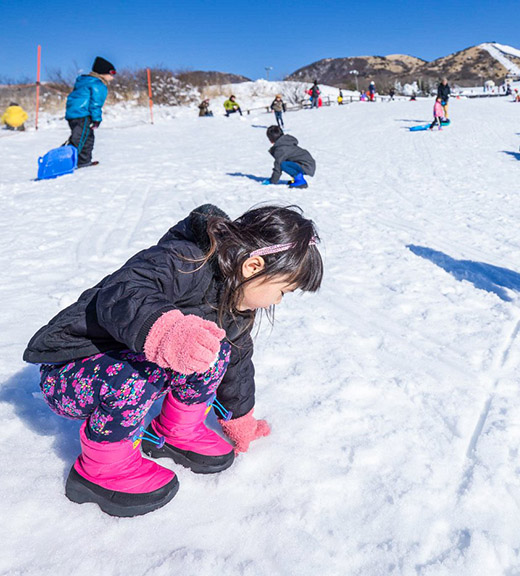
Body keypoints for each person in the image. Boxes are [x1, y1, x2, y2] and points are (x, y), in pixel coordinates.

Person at [22, 204, 322, 516]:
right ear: (254, 266)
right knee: (135, 374)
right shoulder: (185, 259)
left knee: (215, 349)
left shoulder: (235, 304)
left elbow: (237, 364)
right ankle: (99, 470)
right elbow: (123, 291)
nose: (278, 301)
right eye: (283, 291)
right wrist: (167, 331)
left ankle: (177, 432)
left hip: (118, 365)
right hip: (71, 372)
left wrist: (240, 418)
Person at [65, 57, 115, 167]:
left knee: (87, 138)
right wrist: (97, 119)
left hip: (73, 114)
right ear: (103, 72)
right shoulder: (98, 84)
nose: (113, 76)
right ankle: (66, 163)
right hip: (83, 114)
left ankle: (83, 162)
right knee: (79, 140)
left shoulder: (84, 81)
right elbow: (95, 104)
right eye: (112, 72)